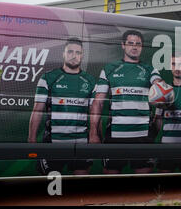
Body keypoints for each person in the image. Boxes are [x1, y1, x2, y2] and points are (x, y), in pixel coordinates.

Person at [89, 30, 163, 174]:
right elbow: (98, 102)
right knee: (112, 180)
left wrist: (160, 85)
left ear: (141, 47)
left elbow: (158, 83)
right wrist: (93, 132)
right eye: (130, 43)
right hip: (115, 136)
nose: (134, 47)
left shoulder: (149, 69)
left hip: (143, 136)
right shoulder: (110, 69)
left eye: (138, 44)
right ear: (123, 45)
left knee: (143, 184)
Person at [28, 37, 96, 175]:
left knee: (80, 188)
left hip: (81, 142)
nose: (74, 56)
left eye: (78, 53)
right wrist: (32, 138)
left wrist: (95, 136)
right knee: (53, 187)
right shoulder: (49, 77)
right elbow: (37, 109)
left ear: (82, 56)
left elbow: (95, 112)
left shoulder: (90, 81)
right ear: (63, 54)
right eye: (70, 52)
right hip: (53, 143)